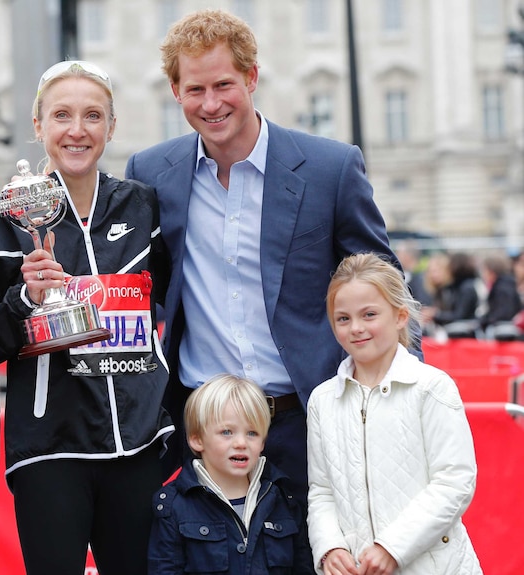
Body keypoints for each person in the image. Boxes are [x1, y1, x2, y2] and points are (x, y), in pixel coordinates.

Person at [124, 8, 406, 511]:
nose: (211, 104)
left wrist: (402, 395)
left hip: (308, 421)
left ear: (252, 77)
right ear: (175, 91)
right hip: (201, 433)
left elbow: (387, 288)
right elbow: (141, 289)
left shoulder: (330, 168)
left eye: (223, 84)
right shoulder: (150, 172)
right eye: (195, 90)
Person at [0, 60, 172, 575]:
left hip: (140, 445)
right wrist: (24, 300)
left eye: (93, 116)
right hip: (51, 449)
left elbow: (168, 302)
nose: (77, 130)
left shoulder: (142, 205)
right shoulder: (4, 215)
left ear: (111, 127)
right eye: (61, 115)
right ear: (38, 126)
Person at [307, 252, 481, 574]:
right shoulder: (322, 401)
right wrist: (329, 546)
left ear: (400, 316)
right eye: (343, 318)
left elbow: (455, 481)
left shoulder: (431, 387)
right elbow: (321, 490)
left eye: (369, 314)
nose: (356, 328)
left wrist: (393, 547)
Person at [148, 374, 313, 574]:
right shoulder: (172, 506)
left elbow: (303, 567)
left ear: (263, 442)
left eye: (252, 433)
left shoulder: (282, 498)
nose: (241, 443)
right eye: (227, 432)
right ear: (196, 439)